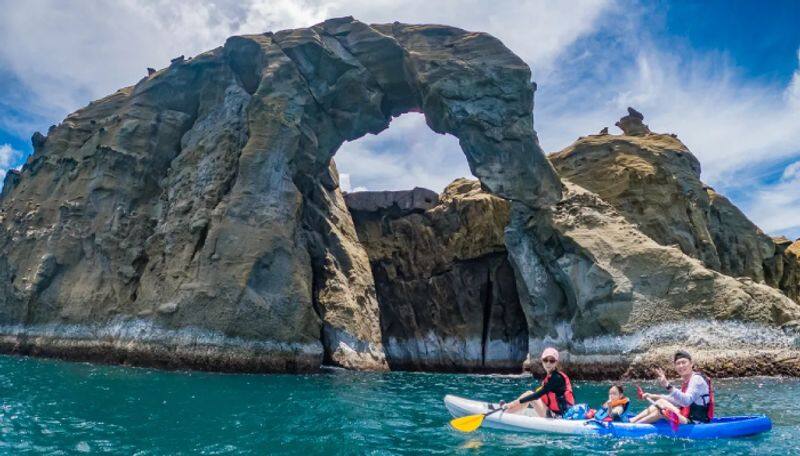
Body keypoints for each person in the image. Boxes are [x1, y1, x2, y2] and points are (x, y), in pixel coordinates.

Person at [630, 350, 714, 424]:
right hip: (686, 417)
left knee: (662, 411)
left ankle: (633, 427)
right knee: (660, 402)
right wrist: (652, 396)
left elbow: (686, 401)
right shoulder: (687, 381)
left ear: (691, 364)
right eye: (678, 363)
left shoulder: (697, 380)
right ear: (675, 367)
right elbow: (676, 401)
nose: (681, 366)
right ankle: (633, 421)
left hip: (696, 422)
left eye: (684, 362)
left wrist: (667, 385)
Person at [502, 347, 575, 418]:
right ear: (542, 361)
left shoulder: (556, 378)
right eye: (545, 360)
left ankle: (506, 412)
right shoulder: (551, 376)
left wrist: (513, 403)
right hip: (554, 413)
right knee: (529, 395)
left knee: (530, 394)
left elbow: (537, 395)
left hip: (558, 417)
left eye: (552, 361)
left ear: (556, 362)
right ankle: (508, 411)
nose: (548, 363)